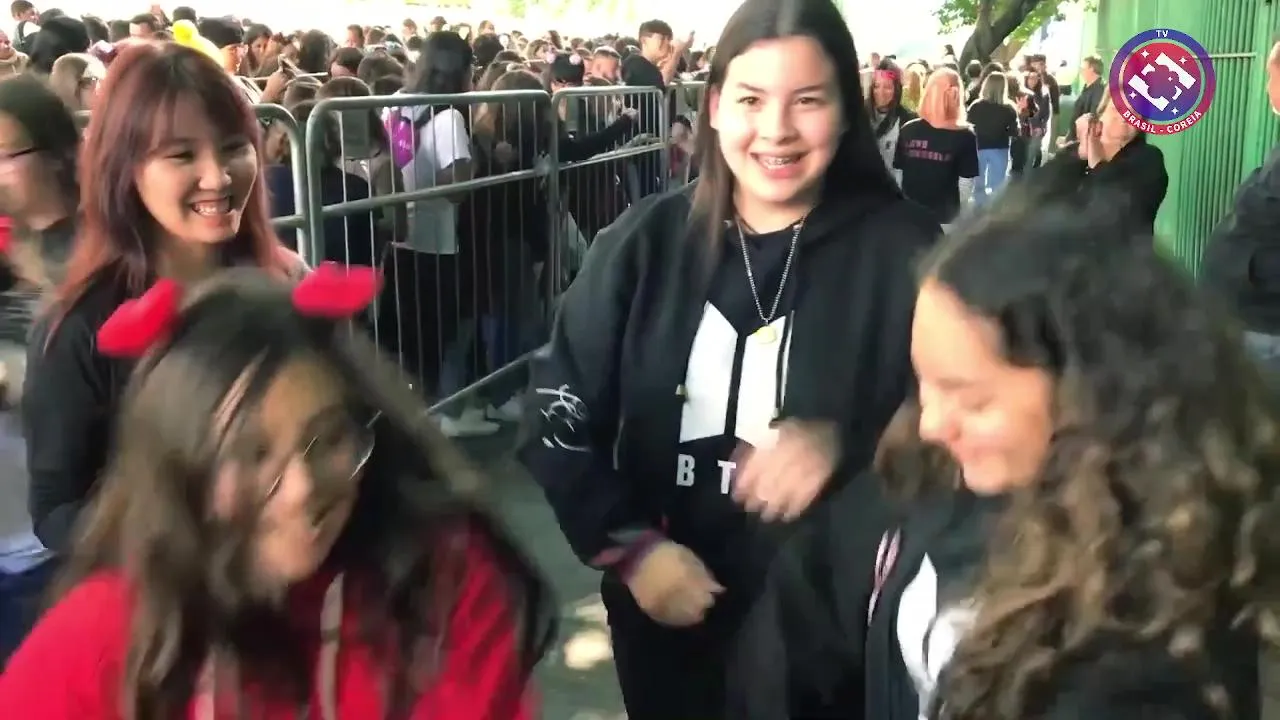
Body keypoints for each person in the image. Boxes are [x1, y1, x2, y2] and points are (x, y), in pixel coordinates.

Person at [520, 0, 938, 717]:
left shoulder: (909, 253)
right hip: (670, 631)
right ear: (713, 107)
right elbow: (556, 414)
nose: (776, 129)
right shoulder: (645, 246)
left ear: (847, 111)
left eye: (808, 101)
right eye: (751, 99)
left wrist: (857, 444)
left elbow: (971, 420)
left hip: (841, 647)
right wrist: (631, 550)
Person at [792, 187, 1271, 720]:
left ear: (1089, 391)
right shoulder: (943, 479)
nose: (932, 424)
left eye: (971, 400)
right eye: (924, 385)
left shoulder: (1148, 645)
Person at [0, 266, 554, 717]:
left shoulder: (443, 577)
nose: (302, 490)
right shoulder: (107, 635)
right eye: (251, 454)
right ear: (181, 468)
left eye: (328, 438)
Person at [23, 42, 301, 558]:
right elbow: (57, 508)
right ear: (124, 168)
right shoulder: (79, 327)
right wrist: (173, 547)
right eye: (181, 155)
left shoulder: (285, 282)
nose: (218, 177)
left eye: (234, 147)